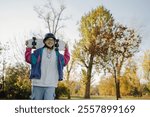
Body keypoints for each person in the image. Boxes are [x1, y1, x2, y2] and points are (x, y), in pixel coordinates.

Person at [25, 33, 70, 100]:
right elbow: (28, 58)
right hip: (38, 83)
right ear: (44, 41)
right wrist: (28, 47)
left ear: (55, 42)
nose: (50, 41)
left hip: (51, 84)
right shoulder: (38, 52)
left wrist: (66, 49)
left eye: (52, 40)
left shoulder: (57, 55)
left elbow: (65, 61)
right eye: (48, 39)